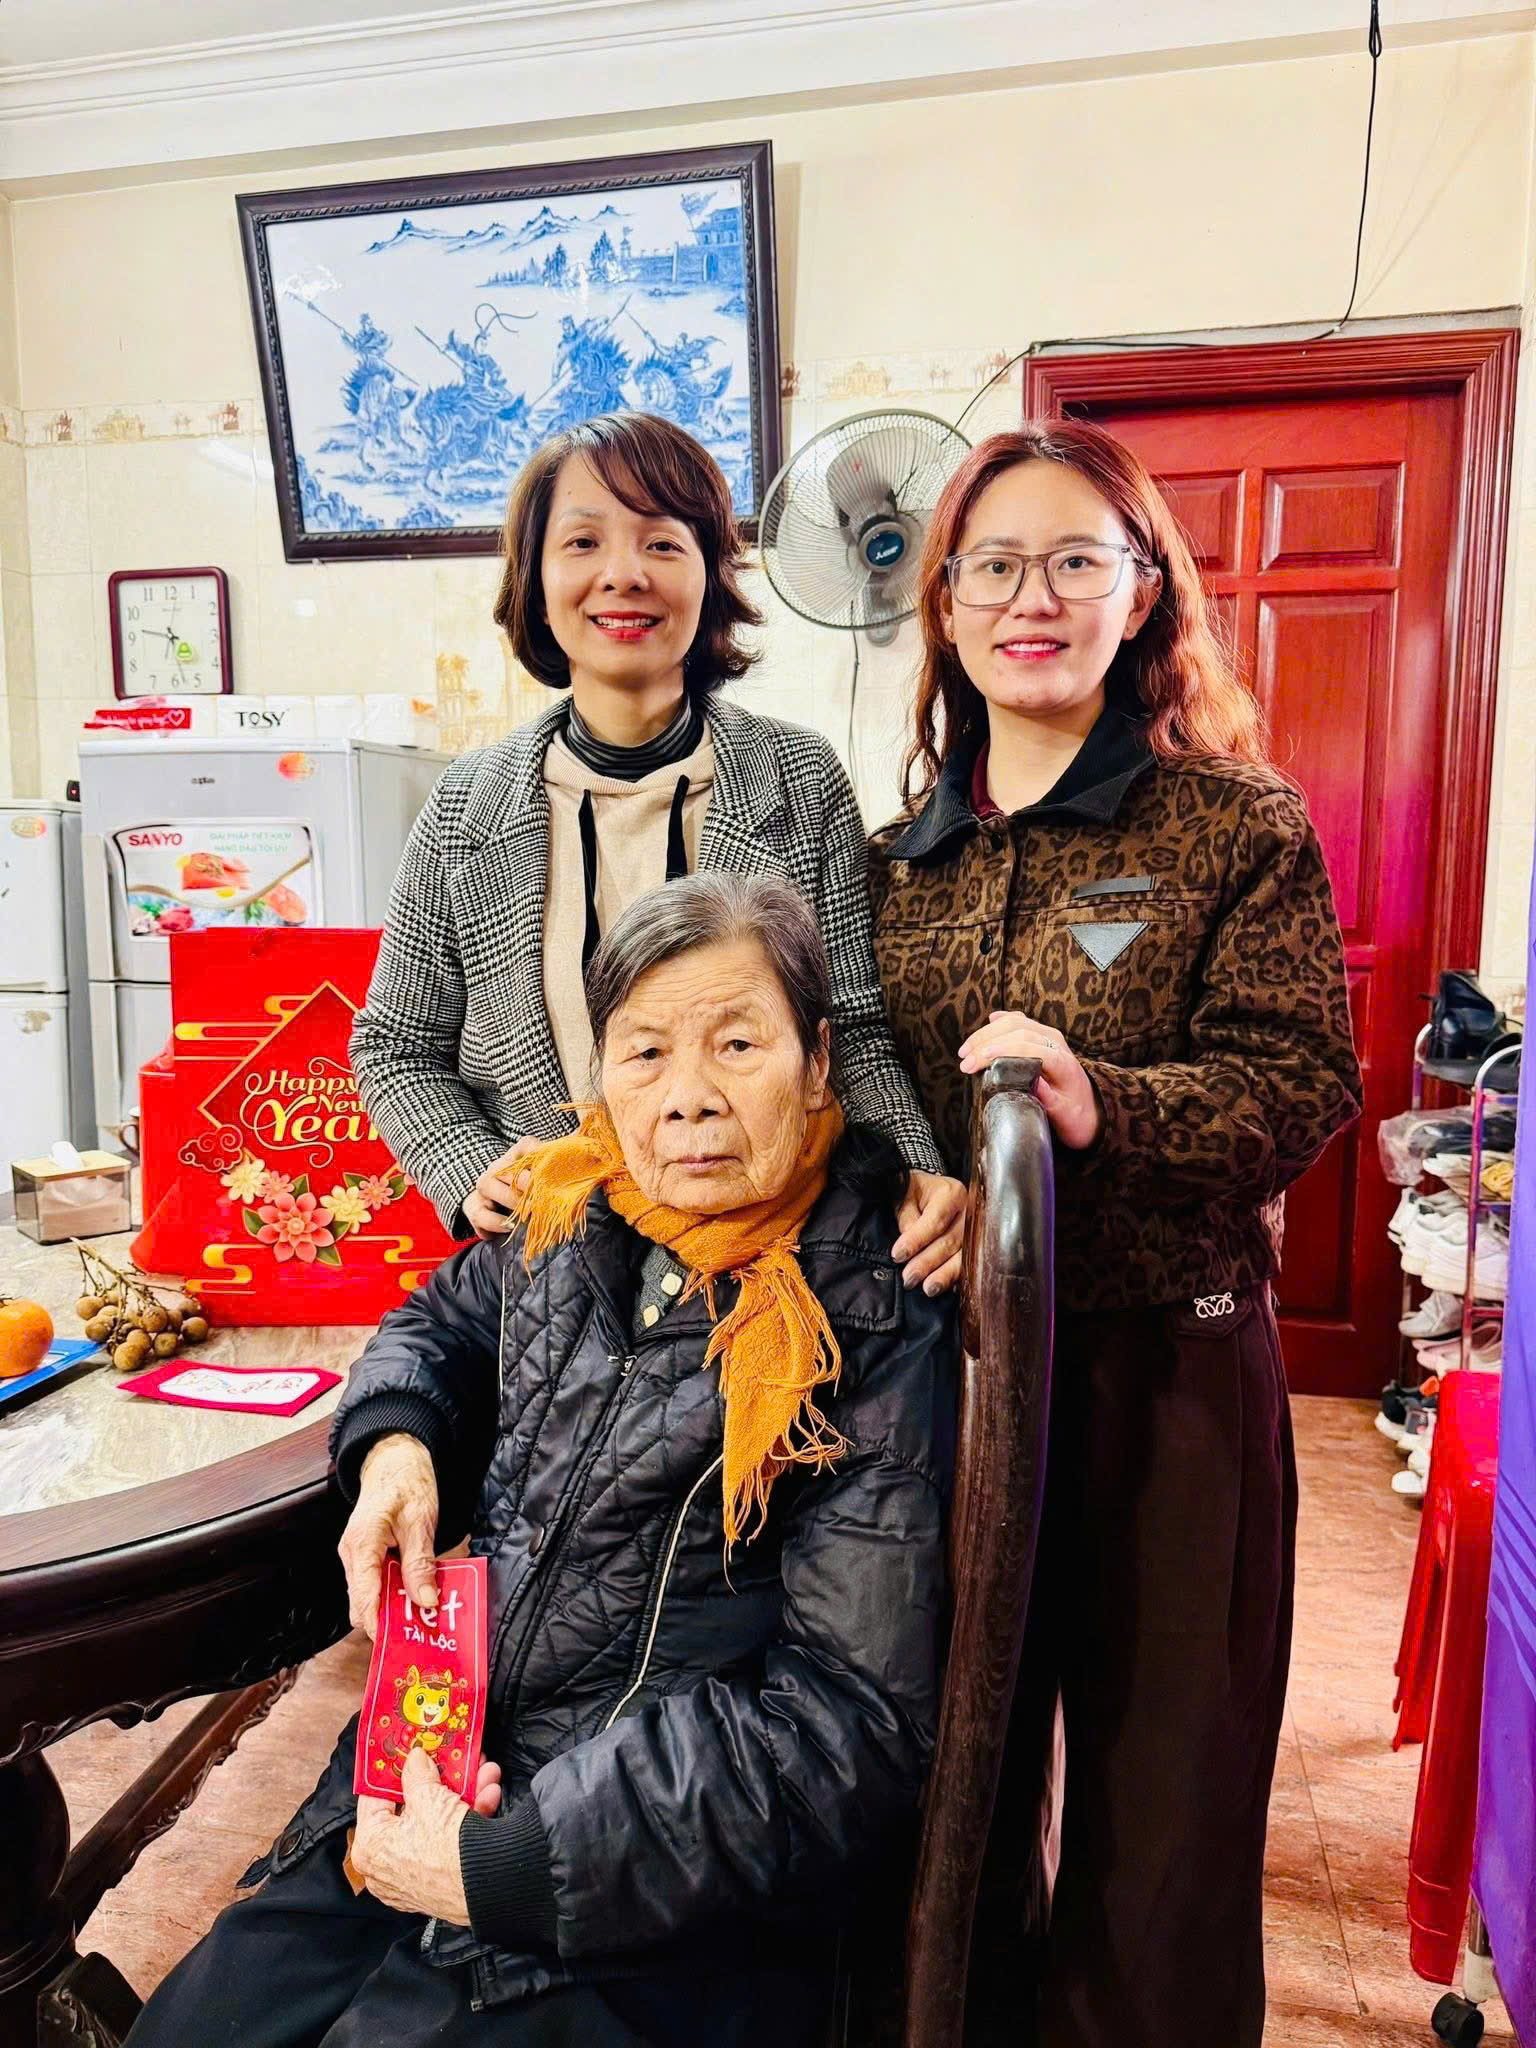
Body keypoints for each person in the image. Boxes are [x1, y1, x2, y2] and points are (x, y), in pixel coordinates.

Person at [127, 875, 953, 2048]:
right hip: (437, 1757)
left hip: (651, 1898)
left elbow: (844, 1727)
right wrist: (399, 1443)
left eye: (736, 1043)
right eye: (646, 1052)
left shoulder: (867, 1314)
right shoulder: (576, 1209)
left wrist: (504, 1861)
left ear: (818, 1063)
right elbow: (442, 1323)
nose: (688, 1096)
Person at [866, 419, 1364, 2048]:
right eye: (997, 565)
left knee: (1165, 1828)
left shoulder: (1232, 824)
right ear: (945, 602)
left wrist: (1107, 1104)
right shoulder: (894, 865)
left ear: (1142, 590)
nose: (1035, 598)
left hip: (1174, 1386)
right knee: (957, 1798)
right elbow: (856, 1096)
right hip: (950, 1396)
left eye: (1077, 560)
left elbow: (1302, 1081)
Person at [351, 410, 964, 1292]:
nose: (623, 574)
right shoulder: (467, 805)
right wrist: (467, 1163)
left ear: (711, 574)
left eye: (662, 543)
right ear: (535, 578)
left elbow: (853, 1031)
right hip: (557, 1266)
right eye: (583, 542)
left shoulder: (798, 778)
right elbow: (396, 1045)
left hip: (772, 1255)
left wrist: (913, 1170)